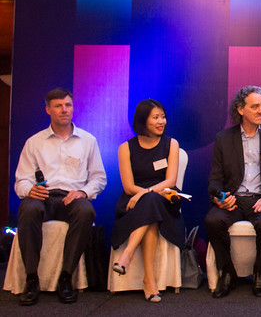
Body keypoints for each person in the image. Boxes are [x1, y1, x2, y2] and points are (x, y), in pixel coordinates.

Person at [14, 88, 107, 305]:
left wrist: (83, 192)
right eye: (58, 106)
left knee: (86, 211)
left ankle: (66, 277)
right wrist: (30, 190)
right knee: (28, 209)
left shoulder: (88, 140)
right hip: (43, 196)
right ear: (48, 110)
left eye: (68, 105)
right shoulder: (34, 142)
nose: (64, 110)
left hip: (72, 197)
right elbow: (22, 179)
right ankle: (31, 278)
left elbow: (99, 178)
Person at [205, 86, 261, 298]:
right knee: (212, 221)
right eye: (255, 107)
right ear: (241, 110)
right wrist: (219, 198)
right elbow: (215, 178)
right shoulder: (224, 139)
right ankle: (228, 272)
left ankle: (260, 272)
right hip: (234, 199)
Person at [111, 99, 185, 303]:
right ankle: (149, 282)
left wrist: (147, 192)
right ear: (143, 121)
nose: (162, 121)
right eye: (156, 118)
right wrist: (144, 194)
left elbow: (170, 180)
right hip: (134, 198)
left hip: (166, 196)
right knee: (150, 210)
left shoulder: (171, 144)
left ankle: (127, 254)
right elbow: (128, 186)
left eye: (163, 117)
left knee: (152, 199)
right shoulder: (125, 148)